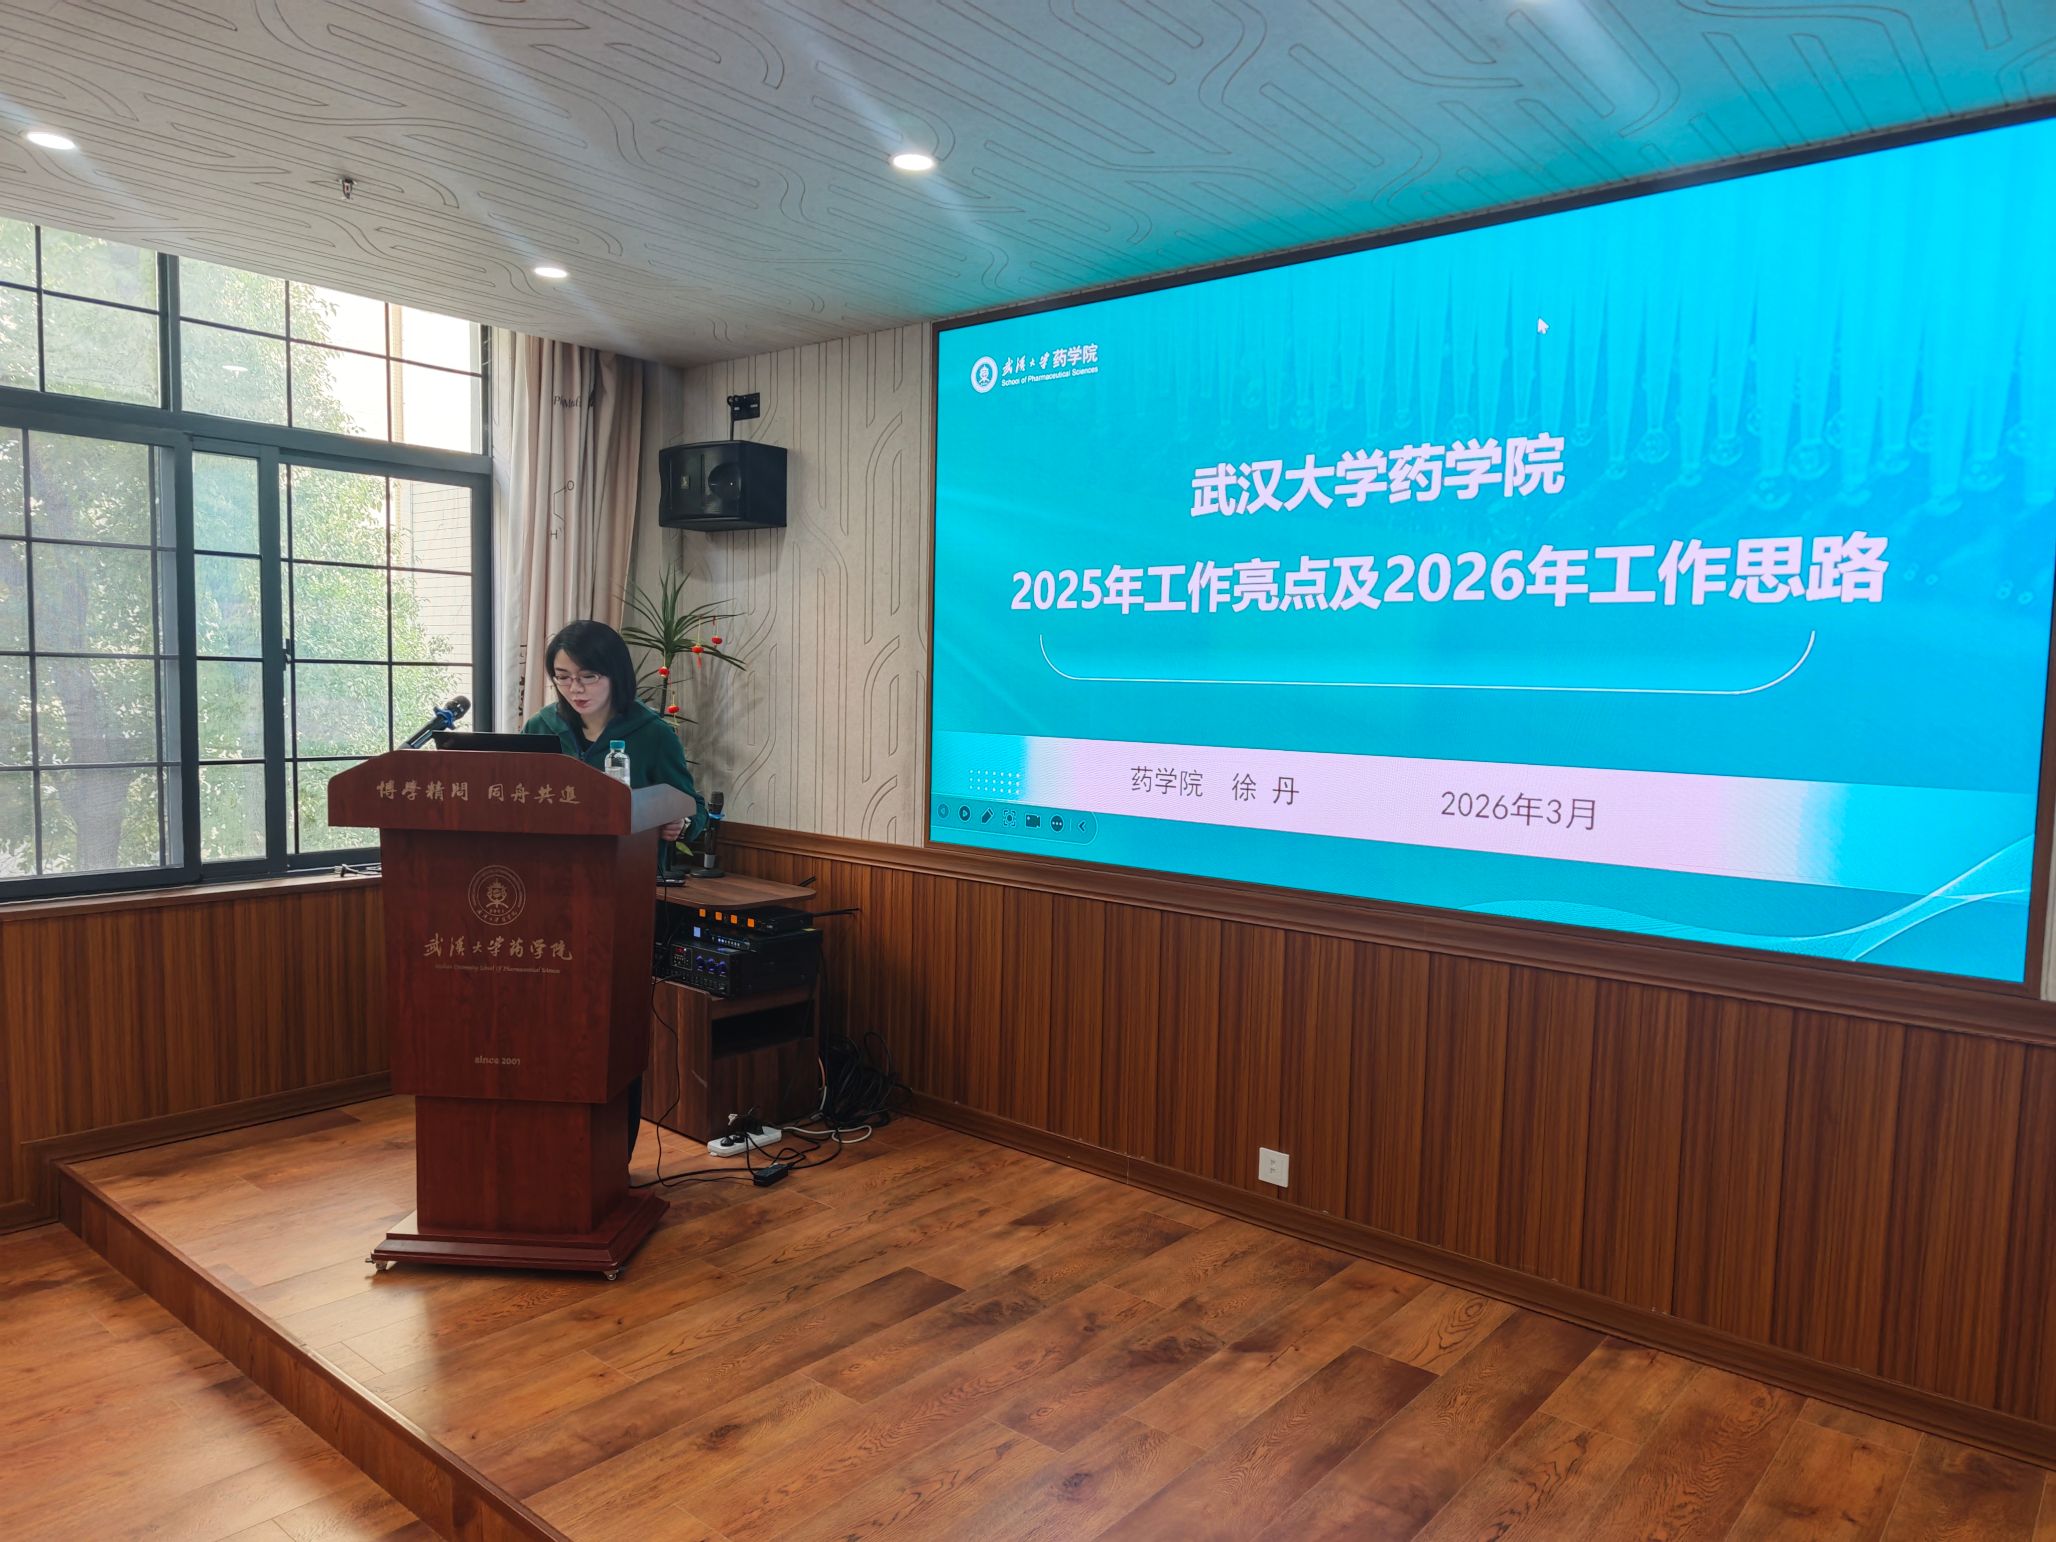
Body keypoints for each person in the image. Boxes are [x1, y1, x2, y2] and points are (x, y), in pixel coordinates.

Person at [523, 619, 706, 1161]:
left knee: (609, 1031)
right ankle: (549, 1150)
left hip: (622, 901)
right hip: (547, 900)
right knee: (549, 1026)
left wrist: (679, 822)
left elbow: (691, 808)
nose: (575, 689)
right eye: (563, 677)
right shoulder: (541, 728)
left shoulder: (652, 733)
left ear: (614, 675)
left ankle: (609, 1158)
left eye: (588, 676)